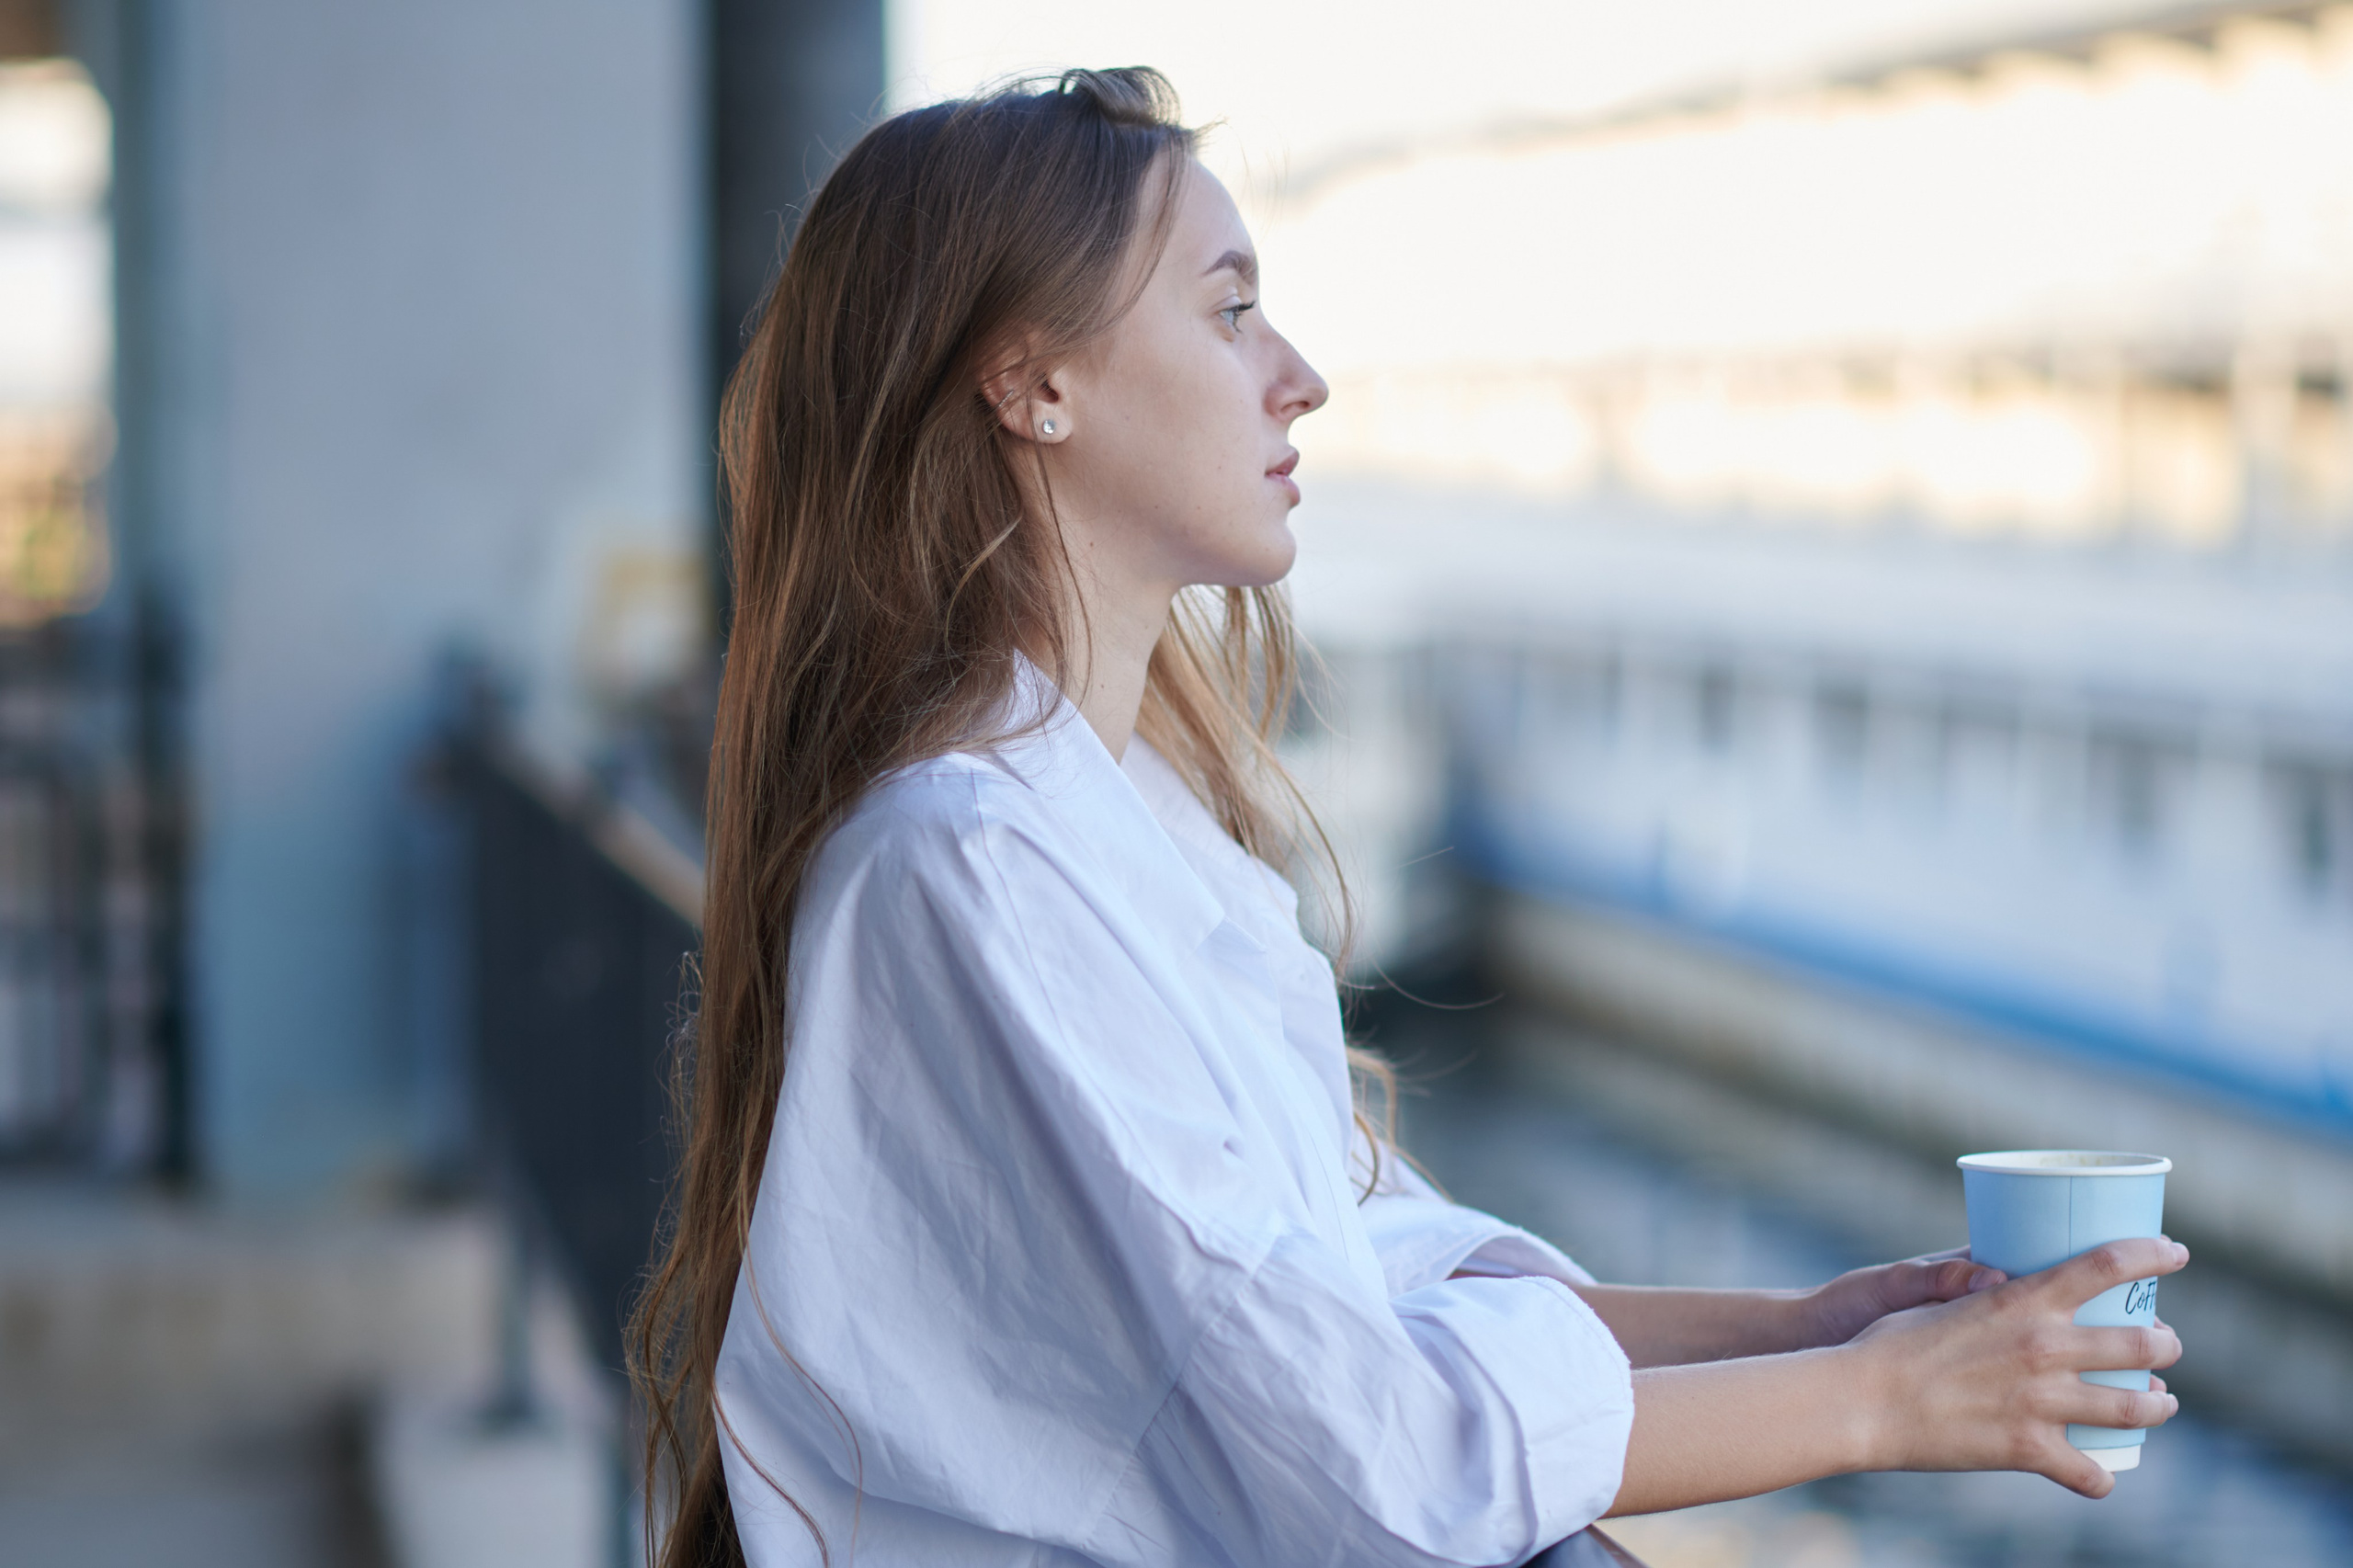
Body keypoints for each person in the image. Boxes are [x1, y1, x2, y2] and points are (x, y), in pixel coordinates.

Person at [630, 67, 2188, 1568]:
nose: (1296, 372)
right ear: (1036, 381)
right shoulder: (976, 865)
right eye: (1229, 308)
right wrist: (1889, 1399)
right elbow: (1361, 1452)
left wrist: (1810, 1328)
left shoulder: (1115, 825)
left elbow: (1377, 1286)